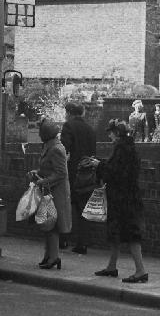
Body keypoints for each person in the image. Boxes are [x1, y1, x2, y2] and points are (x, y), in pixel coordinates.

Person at [88, 119, 148, 283]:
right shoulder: (129, 148)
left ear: (117, 133)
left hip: (123, 198)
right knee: (116, 232)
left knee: (130, 233)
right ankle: (112, 267)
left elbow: (116, 173)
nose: (109, 135)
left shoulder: (121, 149)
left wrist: (99, 166)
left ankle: (141, 270)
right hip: (127, 196)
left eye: (110, 132)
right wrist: (102, 164)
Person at [28, 119, 72, 270]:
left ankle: (54, 257)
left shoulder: (56, 149)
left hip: (56, 192)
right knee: (46, 224)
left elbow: (61, 174)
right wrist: (37, 173)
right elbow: (48, 168)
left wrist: (43, 181)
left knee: (52, 225)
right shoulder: (50, 146)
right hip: (49, 190)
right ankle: (48, 255)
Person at [60, 102, 97, 254]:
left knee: (65, 206)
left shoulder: (68, 126)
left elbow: (64, 148)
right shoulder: (90, 129)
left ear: (69, 113)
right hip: (88, 173)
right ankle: (82, 244)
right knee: (83, 209)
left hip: (73, 172)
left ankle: (63, 240)